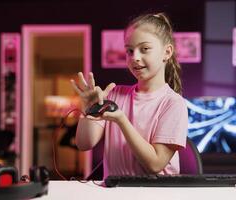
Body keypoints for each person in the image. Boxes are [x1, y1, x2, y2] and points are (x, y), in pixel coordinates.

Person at [71, 12, 188, 178]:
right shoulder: (115, 93)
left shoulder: (173, 103)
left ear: (167, 52)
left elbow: (155, 164)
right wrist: (89, 111)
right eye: (129, 51)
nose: (135, 57)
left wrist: (121, 120)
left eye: (145, 49)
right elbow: (84, 143)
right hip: (116, 192)